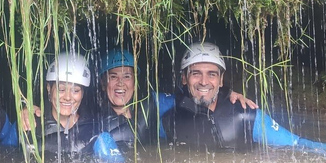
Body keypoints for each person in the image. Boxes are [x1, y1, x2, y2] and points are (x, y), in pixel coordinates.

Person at [161, 42, 326, 160]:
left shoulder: (246, 114)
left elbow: (297, 144)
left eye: (212, 74)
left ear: (221, 79)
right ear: (183, 78)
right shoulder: (166, 116)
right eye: (196, 73)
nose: (204, 81)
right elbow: (136, 104)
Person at [97, 48, 258, 150]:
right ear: (103, 83)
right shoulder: (93, 118)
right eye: (113, 77)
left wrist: (226, 94)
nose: (121, 83)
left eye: (127, 76)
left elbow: (192, 99)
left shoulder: (153, 104)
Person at [22, 52, 122, 163]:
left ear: (82, 93)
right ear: (49, 89)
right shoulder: (30, 123)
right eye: (61, 89)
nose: (68, 97)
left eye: (75, 90)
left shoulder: (96, 125)